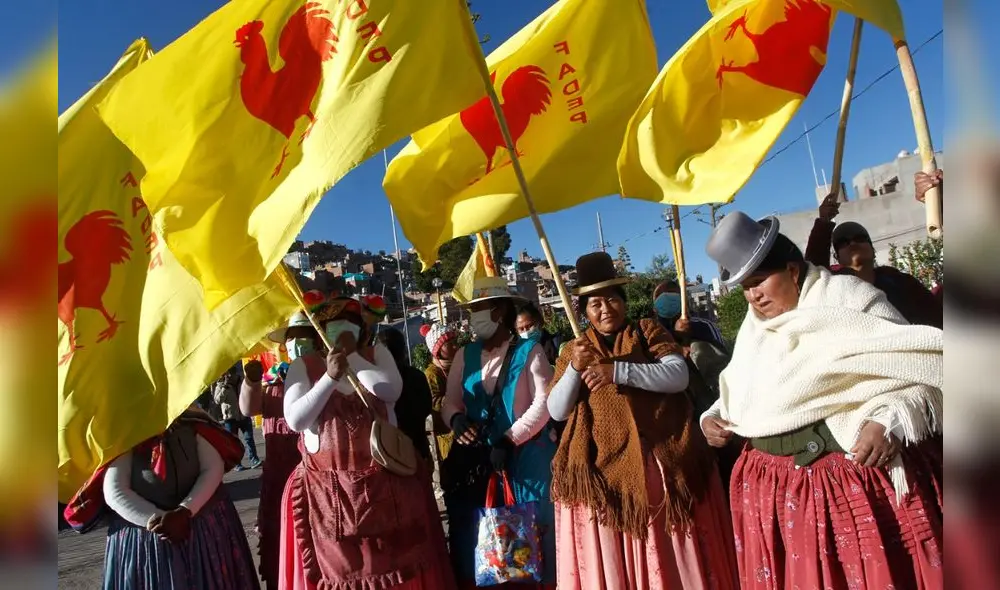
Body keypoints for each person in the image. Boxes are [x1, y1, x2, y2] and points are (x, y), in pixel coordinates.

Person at [702, 211, 943, 590]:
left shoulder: (851, 301)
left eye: (761, 281)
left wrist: (889, 421)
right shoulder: (755, 330)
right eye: (746, 287)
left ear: (794, 271)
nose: (754, 295)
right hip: (781, 505)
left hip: (857, 491)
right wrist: (713, 416)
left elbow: (919, 370)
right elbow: (744, 388)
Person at [546, 252, 738, 590]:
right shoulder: (572, 350)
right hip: (602, 478)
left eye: (611, 300)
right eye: (595, 304)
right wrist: (575, 368)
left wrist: (617, 370)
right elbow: (558, 410)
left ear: (623, 301)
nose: (605, 309)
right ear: (585, 312)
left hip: (658, 464)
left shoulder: (647, 331)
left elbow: (677, 376)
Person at [278, 296, 454, 589]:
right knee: (340, 572)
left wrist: (353, 356)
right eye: (335, 326)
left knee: (399, 564)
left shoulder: (377, 354)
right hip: (329, 498)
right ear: (321, 328)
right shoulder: (303, 366)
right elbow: (296, 419)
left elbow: (390, 390)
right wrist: (329, 378)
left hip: (387, 488)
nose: (344, 329)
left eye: (353, 324)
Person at [441, 276, 558, 589]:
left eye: (483, 308)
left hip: (525, 461)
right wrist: (455, 420)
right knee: (482, 541)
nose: (475, 317)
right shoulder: (464, 355)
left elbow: (543, 403)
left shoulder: (530, 351)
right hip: (478, 463)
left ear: (502, 311)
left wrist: (509, 439)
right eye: (473, 310)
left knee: (532, 537)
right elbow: (450, 400)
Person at [102, 407, 259, 589]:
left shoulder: (192, 421)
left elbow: (212, 467)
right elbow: (114, 490)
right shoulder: (123, 432)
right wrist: (159, 521)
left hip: (201, 532)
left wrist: (185, 511)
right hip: (149, 542)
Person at [804, 176, 943, 328]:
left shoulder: (902, 284)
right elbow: (812, 273)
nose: (853, 243)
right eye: (843, 242)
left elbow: (938, 319)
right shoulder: (832, 289)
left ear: (873, 250)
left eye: (860, 238)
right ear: (837, 257)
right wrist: (824, 221)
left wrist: (940, 201)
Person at [239, 311, 314, 590]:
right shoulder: (273, 377)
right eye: (294, 338)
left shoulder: (322, 374)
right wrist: (251, 381)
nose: (298, 343)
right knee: (280, 544)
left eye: (305, 338)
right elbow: (249, 409)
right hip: (279, 478)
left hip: (313, 478)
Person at [380, 327, 434, 460]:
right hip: (417, 448)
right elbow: (426, 408)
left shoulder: (375, 383)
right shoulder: (417, 376)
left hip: (388, 453)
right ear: (403, 350)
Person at [422, 322, 459, 464]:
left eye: (455, 342)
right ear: (437, 350)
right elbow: (434, 403)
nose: (455, 346)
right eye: (449, 344)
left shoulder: (457, 366)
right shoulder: (432, 374)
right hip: (447, 435)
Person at [214, 368, 261, 471]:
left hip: (244, 415)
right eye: (228, 374)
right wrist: (225, 387)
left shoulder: (242, 382)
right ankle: (237, 464)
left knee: (249, 438)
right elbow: (217, 401)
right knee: (233, 443)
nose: (230, 376)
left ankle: (254, 460)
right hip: (230, 418)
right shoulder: (220, 386)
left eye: (231, 374)